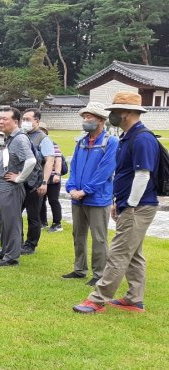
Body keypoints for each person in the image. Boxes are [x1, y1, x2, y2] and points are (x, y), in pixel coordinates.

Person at [74, 91, 160, 314]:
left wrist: (129, 205)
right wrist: (118, 201)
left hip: (138, 207)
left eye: (115, 112)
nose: (111, 115)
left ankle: (97, 299)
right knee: (134, 253)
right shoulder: (128, 137)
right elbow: (124, 174)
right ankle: (134, 299)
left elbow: (143, 175)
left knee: (119, 252)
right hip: (129, 204)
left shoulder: (142, 138)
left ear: (128, 113)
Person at [63, 102, 118, 286]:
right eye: (84, 117)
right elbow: (74, 168)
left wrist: (85, 190)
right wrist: (71, 188)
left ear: (101, 120)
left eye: (89, 117)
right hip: (77, 198)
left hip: (98, 198)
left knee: (99, 238)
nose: (85, 120)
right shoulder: (81, 142)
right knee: (77, 234)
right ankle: (79, 269)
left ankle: (99, 273)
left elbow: (105, 170)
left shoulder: (110, 142)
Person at [0, 108, 36, 267]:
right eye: (0, 119)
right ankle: (4, 249)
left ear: (15, 121)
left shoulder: (20, 139)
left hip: (9, 187)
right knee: (1, 221)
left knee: (11, 222)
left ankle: (11, 257)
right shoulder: (9, 138)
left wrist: (19, 178)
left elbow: (31, 161)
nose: (1, 122)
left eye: (5, 119)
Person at [19, 108, 55, 255]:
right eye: (24, 119)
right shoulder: (22, 136)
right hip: (20, 181)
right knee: (15, 213)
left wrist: (44, 182)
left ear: (37, 121)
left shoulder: (43, 138)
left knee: (33, 215)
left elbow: (49, 160)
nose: (25, 122)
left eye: (28, 119)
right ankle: (16, 241)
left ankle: (30, 244)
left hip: (35, 182)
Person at [40, 135, 64, 232]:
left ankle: (57, 223)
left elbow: (58, 160)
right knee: (40, 200)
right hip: (41, 176)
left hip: (53, 176)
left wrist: (57, 174)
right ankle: (43, 221)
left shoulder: (53, 145)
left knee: (53, 200)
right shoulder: (38, 145)